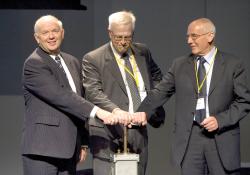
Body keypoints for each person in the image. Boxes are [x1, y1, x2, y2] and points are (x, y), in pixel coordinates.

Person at [137, 17, 250, 175]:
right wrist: (139, 112)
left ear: (210, 36)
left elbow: (244, 102)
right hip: (190, 139)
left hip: (221, 137)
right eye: (188, 36)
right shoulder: (179, 64)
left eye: (194, 36)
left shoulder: (233, 64)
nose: (189, 40)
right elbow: (159, 92)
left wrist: (220, 120)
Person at [21, 15, 122, 175]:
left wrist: (82, 142)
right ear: (37, 37)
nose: (51, 36)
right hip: (42, 150)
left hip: (69, 150)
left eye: (55, 31)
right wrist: (99, 112)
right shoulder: (34, 63)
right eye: (45, 32)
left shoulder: (72, 62)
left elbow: (78, 101)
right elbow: (62, 96)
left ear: (62, 33)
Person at [82, 11, 165, 175]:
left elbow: (158, 78)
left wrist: (149, 106)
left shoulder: (143, 52)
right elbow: (93, 92)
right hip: (108, 132)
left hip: (138, 130)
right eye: (118, 37)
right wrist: (116, 111)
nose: (123, 42)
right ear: (109, 33)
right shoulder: (93, 58)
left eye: (127, 37)